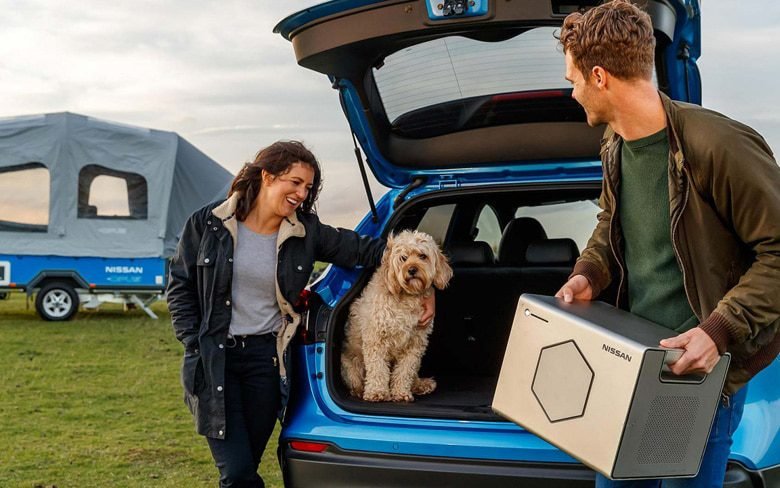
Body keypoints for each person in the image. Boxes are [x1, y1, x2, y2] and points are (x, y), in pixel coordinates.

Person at [554, 1, 780, 486]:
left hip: (701, 376)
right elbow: (611, 221)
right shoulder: (614, 145)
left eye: (572, 79)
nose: (571, 93)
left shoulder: (717, 145)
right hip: (631, 366)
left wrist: (717, 330)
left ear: (599, 77)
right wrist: (587, 274)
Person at [167, 140, 435, 487]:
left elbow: (367, 250)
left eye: (307, 187)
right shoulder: (209, 223)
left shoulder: (304, 231)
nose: (301, 193)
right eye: (295, 182)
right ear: (267, 176)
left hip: (267, 360)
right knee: (236, 472)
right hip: (215, 359)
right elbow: (179, 286)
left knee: (248, 461)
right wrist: (192, 341)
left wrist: (426, 287)